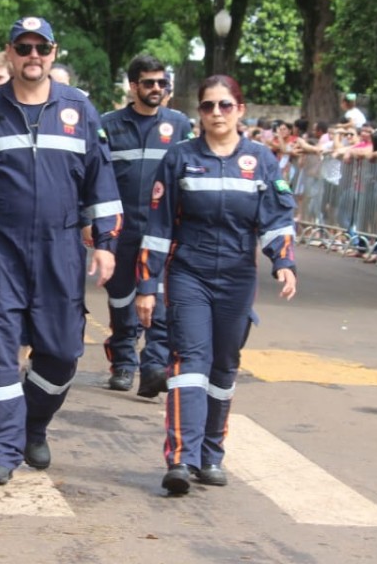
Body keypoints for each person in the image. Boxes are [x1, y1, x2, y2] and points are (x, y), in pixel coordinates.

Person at [0, 16, 122, 486]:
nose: (33, 56)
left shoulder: (80, 109)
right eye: (24, 47)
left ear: (54, 53)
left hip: (61, 247)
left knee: (61, 353)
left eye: (42, 48)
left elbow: (100, 179)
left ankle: (32, 425)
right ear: (11, 52)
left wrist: (105, 242)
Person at [135, 74, 297, 495]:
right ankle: (181, 459)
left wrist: (284, 262)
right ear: (199, 113)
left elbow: (277, 220)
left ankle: (210, 455)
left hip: (238, 278)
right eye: (208, 106)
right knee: (190, 361)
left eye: (225, 105)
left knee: (223, 366)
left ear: (240, 110)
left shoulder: (261, 160)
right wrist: (147, 283)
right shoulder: (180, 159)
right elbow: (158, 226)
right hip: (189, 272)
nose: (217, 114)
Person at [98, 54, 193, 397]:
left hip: (163, 231)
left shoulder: (180, 125)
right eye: (149, 83)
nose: (157, 89)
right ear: (133, 86)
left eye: (162, 83)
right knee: (122, 299)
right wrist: (89, 221)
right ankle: (124, 362)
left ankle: (154, 366)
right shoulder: (108, 125)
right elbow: (95, 177)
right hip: (121, 229)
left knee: (161, 298)